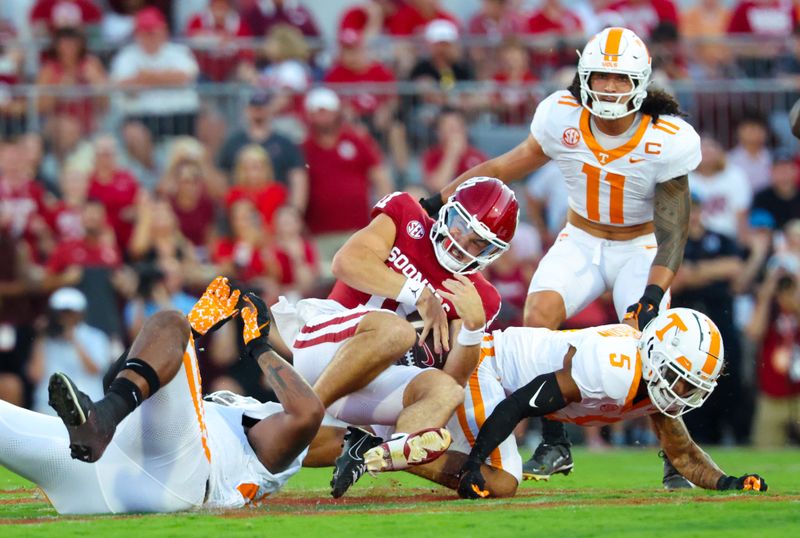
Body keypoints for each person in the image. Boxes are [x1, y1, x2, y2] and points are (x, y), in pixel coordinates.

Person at [419, 27, 700, 488]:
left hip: (640, 246)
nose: (609, 87)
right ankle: (555, 442)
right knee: (537, 319)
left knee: (649, 341)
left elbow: (674, 228)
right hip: (581, 239)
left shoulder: (666, 137)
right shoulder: (560, 115)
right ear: (584, 76)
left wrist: (653, 292)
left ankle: (675, 456)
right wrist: (435, 201)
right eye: (601, 76)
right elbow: (500, 168)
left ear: (640, 83)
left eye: (620, 78)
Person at [269, 177, 519, 497]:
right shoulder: (406, 214)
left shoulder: (478, 294)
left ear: (492, 253)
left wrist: (472, 326)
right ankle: (304, 417)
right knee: (396, 329)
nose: (461, 240)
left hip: (376, 379)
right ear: (447, 211)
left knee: (445, 390)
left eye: (477, 243)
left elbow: (455, 379)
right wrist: (419, 294)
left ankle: (382, 449)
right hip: (327, 344)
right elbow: (346, 262)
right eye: (460, 224)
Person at [0, 277, 324, 513]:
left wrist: (259, 346)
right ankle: (102, 418)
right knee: (157, 348)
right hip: (88, 461)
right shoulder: (237, 411)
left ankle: (102, 419)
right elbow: (117, 377)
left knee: (171, 320)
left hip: (171, 477)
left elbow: (308, 414)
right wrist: (191, 333)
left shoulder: (282, 446)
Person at [450, 307, 768, 498]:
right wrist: (474, 463)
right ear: (657, 355)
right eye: (678, 377)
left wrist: (730, 483)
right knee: (503, 480)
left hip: (507, 386)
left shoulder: (657, 383)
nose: (681, 390)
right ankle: (415, 455)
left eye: (690, 385)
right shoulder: (615, 368)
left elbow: (683, 456)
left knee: (496, 475)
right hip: (488, 364)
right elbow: (519, 404)